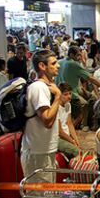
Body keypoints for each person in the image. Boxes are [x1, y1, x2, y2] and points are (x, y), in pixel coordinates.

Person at [21, 50, 61, 182]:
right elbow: (47, 121)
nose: (58, 66)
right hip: (37, 152)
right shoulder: (39, 87)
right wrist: (58, 97)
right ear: (42, 66)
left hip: (43, 150)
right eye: (54, 63)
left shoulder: (47, 86)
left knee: (47, 196)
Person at [55, 46, 100, 130]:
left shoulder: (60, 61)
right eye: (78, 55)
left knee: (92, 98)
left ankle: (90, 122)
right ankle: (81, 125)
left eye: (80, 55)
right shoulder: (73, 64)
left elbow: (77, 77)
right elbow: (90, 78)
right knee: (84, 105)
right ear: (71, 54)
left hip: (68, 89)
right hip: (70, 93)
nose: (80, 57)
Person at [57, 83, 80, 159]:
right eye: (65, 94)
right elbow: (60, 132)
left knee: (78, 147)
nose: (69, 96)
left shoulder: (68, 105)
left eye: (70, 93)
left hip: (66, 135)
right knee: (76, 152)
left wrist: (76, 140)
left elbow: (69, 123)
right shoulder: (56, 107)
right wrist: (72, 141)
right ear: (59, 95)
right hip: (58, 138)